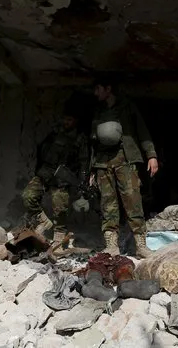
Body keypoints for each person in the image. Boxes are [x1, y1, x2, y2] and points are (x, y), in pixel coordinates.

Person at [90, 77, 159, 259]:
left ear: (108, 88)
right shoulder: (98, 111)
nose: (95, 93)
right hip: (103, 162)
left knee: (132, 201)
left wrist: (151, 155)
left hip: (125, 159)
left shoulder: (127, 107)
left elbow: (142, 130)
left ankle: (141, 246)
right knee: (107, 204)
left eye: (98, 88)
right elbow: (92, 140)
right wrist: (91, 168)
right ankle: (111, 246)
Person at [22, 99, 89, 250]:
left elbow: (84, 161)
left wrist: (82, 182)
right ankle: (43, 220)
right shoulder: (55, 133)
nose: (66, 122)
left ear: (76, 121)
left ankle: (59, 237)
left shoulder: (80, 138)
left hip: (63, 178)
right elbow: (43, 149)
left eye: (69, 120)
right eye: (65, 119)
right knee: (28, 196)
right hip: (45, 173)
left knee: (60, 207)